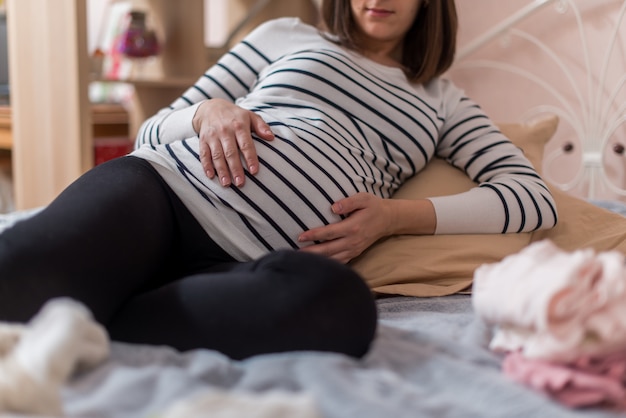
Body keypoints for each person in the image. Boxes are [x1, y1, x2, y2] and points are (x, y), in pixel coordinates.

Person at [0, 0, 557, 360]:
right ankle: (90, 291)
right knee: (15, 277)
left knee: (341, 314)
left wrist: (392, 218)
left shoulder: (442, 100)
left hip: (252, 261)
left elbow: (531, 198)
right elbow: (150, 129)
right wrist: (208, 112)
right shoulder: (285, 34)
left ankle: (102, 299)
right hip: (164, 191)